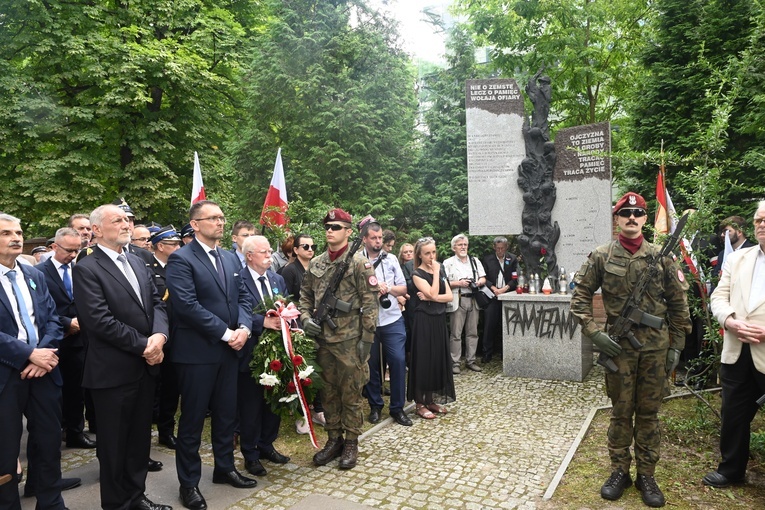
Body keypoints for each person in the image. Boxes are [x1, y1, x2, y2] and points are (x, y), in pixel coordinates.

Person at [570, 192, 691, 508]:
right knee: (621, 414)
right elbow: (579, 298)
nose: (632, 218)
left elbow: (679, 307)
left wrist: (676, 347)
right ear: (617, 218)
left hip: (655, 352)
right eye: (626, 213)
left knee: (649, 415)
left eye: (638, 213)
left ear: (645, 219)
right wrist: (595, 334)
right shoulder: (601, 256)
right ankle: (619, 472)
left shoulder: (662, 257)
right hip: (619, 350)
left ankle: (647, 475)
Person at [73, 204, 170, 510]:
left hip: (144, 368)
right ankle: (116, 503)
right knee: (114, 445)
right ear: (97, 230)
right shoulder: (87, 268)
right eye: (118, 220)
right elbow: (99, 321)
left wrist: (160, 337)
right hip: (113, 373)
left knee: (139, 441)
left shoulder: (139, 261)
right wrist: (145, 345)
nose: (127, 224)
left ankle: (136, 496)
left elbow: (157, 303)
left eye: (128, 220)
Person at [165, 200, 256, 510]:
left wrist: (244, 327)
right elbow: (187, 306)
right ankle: (188, 483)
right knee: (191, 420)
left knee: (226, 414)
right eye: (213, 218)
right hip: (197, 354)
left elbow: (244, 297)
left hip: (230, 351)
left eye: (221, 217)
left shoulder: (231, 258)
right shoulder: (181, 259)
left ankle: (224, 467)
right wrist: (227, 333)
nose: (220, 222)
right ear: (195, 224)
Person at [298, 209, 378, 470]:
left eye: (336, 226)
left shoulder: (359, 263)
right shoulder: (317, 263)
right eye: (328, 226)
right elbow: (305, 295)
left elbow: (370, 304)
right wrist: (305, 317)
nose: (329, 230)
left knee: (351, 393)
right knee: (328, 392)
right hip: (322, 339)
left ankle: (352, 440)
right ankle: (334, 439)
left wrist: (366, 341)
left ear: (348, 232)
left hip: (349, 340)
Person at [0, 213, 67, 510]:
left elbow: (52, 319)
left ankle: (51, 503)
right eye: (5, 233)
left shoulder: (34, 275)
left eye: (18, 232)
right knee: (5, 448)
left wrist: (43, 355)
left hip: (44, 372)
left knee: (49, 442)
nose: (16, 237)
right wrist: (27, 354)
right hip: (6, 374)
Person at [703, 201, 765, 489]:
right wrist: (729, 320)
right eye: (758, 219)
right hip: (737, 349)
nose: (761, 224)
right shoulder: (738, 259)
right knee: (734, 413)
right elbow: (718, 296)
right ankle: (731, 469)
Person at [236, 235, 291, 477]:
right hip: (251, 352)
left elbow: (287, 305)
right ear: (249, 256)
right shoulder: (238, 279)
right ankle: (250, 453)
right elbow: (236, 310)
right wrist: (262, 322)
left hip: (277, 351)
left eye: (270, 251)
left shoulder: (277, 278)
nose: (270, 256)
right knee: (251, 405)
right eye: (264, 252)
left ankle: (267, 444)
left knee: (274, 402)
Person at [40, 228, 97, 450]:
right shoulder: (39, 273)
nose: (73, 255)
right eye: (69, 250)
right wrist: (66, 323)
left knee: (76, 391)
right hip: (52, 341)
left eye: (77, 250)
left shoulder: (81, 270)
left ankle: (75, 432)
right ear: (54, 247)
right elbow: (41, 307)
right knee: (53, 393)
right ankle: (53, 435)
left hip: (80, 341)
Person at [361, 221, 412, 427]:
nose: (378, 241)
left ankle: (397, 408)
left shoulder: (391, 259)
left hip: (392, 318)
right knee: (372, 364)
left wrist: (387, 288)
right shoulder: (356, 261)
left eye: (380, 237)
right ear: (364, 239)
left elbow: (403, 288)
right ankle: (375, 405)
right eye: (373, 238)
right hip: (367, 319)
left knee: (398, 361)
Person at [408, 237, 455, 419]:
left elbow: (449, 296)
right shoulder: (417, 274)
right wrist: (435, 274)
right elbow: (436, 292)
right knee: (424, 361)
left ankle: (431, 399)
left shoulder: (439, 268)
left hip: (438, 319)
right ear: (419, 254)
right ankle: (420, 403)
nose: (431, 256)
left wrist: (431, 297)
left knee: (436, 359)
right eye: (427, 253)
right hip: (424, 321)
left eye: (433, 252)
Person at [148, 226, 183, 450]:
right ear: (161, 246)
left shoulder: (179, 268)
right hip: (155, 336)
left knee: (172, 387)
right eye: (174, 245)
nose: (179, 248)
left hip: (177, 336)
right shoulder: (147, 269)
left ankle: (166, 431)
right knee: (153, 388)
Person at [443, 234, 486, 374]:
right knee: (456, 333)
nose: (463, 247)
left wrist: (479, 282)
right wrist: (459, 283)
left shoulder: (475, 261)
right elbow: (443, 283)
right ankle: (455, 362)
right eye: (460, 245)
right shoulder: (448, 262)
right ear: (454, 247)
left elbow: (483, 278)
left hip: (473, 298)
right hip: (458, 298)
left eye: (465, 245)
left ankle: (471, 360)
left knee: (472, 332)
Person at [480, 237, 518, 363]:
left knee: (506, 324)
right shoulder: (487, 259)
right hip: (491, 295)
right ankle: (487, 353)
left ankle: (504, 352)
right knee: (489, 325)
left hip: (507, 295)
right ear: (494, 247)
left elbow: (515, 278)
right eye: (498, 248)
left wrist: (505, 288)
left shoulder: (512, 259)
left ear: (506, 247)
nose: (500, 251)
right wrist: (494, 288)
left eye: (502, 248)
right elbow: (483, 277)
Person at [710, 216, 755, 282]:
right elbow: (715, 281)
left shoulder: (753, 252)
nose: (722, 235)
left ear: (739, 232)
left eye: (727, 231)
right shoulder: (722, 255)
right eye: (722, 232)